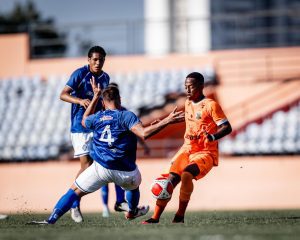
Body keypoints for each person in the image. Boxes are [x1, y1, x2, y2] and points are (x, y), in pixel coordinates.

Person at [29, 81, 185, 225]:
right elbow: (143, 133)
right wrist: (167, 120)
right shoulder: (126, 115)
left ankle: (51, 219)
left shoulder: (97, 117)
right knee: (133, 187)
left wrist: (95, 97)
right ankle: (131, 211)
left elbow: (84, 120)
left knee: (74, 191)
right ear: (120, 99)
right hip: (126, 172)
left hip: (101, 169)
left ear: (103, 102)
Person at [142, 72, 232, 224]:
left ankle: (179, 216)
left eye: (191, 86)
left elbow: (227, 127)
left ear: (201, 86)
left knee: (187, 174)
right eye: (186, 87)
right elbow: (195, 120)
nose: (188, 89)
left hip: (205, 152)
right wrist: (165, 122)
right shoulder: (188, 103)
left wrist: (212, 137)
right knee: (169, 181)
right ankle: (155, 217)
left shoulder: (211, 105)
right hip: (186, 149)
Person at [59, 46, 110, 222]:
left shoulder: (105, 78)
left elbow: (103, 101)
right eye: (95, 59)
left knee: (104, 164)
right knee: (86, 166)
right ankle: (74, 204)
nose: (98, 62)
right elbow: (63, 94)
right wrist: (80, 100)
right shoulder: (79, 74)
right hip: (80, 127)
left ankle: (120, 202)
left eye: (101, 59)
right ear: (88, 60)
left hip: (96, 126)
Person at [100, 82, 150, 218]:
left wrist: (144, 146)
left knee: (115, 178)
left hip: (113, 152)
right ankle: (109, 205)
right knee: (110, 178)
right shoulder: (107, 112)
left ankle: (120, 202)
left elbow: (135, 131)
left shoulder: (118, 112)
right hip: (110, 151)